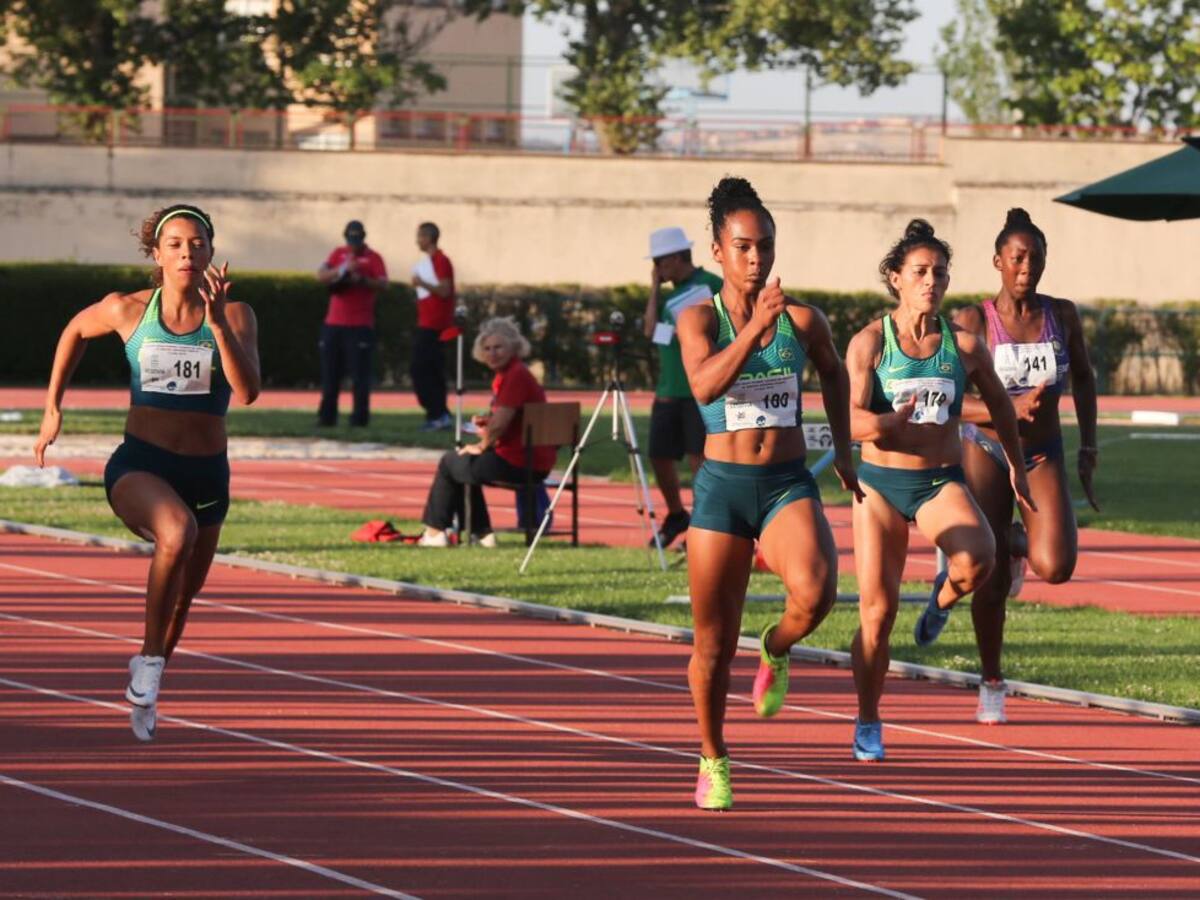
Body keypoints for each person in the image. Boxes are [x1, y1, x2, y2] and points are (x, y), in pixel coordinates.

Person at [34, 203, 260, 742]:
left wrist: (216, 325)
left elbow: (248, 391)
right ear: (157, 254)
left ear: (211, 252)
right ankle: (153, 663)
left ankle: (149, 672)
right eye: (176, 244)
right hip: (141, 465)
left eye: (198, 244)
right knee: (176, 532)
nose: (188, 253)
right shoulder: (128, 310)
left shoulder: (236, 315)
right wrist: (52, 406)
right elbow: (74, 331)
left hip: (208, 474)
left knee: (185, 596)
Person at [676, 177, 860, 810]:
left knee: (818, 592)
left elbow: (834, 374)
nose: (757, 259)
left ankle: (776, 647)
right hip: (723, 491)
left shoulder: (802, 319)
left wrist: (845, 451)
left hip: (784, 482)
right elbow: (704, 386)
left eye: (767, 246)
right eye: (744, 247)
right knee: (712, 645)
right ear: (718, 251)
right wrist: (753, 328)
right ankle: (713, 758)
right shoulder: (698, 318)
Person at [845, 218, 1032, 762]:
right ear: (896, 278)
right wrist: (887, 424)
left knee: (980, 559)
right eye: (921, 272)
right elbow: (848, 419)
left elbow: (1001, 407)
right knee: (877, 617)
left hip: (937, 481)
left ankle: (941, 599)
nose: (932, 282)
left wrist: (1016, 466)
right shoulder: (871, 342)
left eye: (940, 273)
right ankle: (868, 718)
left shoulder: (964, 345)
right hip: (881, 486)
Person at [954, 208, 1099, 724]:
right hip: (987, 451)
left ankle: (1019, 541)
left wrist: (1089, 447)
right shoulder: (972, 320)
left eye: (1036, 258)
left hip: (1041, 452)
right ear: (998, 261)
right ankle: (992, 680)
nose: (1026, 267)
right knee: (988, 580)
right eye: (1017, 257)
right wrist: (1003, 409)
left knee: (1056, 567)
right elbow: (947, 396)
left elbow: (1084, 377)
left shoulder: (1062, 314)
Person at [417, 317, 554, 547]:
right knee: (463, 465)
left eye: (499, 347)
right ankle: (481, 534)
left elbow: (500, 424)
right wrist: (487, 424)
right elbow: (506, 420)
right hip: (529, 458)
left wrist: (481, 446)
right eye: (487, 348)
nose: (492, 353)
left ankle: (435, 532)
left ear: (514, 347)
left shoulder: (515, 375)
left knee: (449, 463)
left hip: (520, 462)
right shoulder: (509, 375)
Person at [642, 226, 724, 548]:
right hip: (668, 390)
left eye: (659, 262)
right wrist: (653, 288)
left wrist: (695, 332)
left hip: (697, 389)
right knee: (658, 455)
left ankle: (702, 525)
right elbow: (651, 331)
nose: (657, 269)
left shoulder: (711, 284)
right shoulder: (668, 295)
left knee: (698, 460)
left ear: (676, 257)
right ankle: (677, 514)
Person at [316, 219, 388, 427]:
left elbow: (383, 284)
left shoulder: (373, 257)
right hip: (334, 323)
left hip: (360, 325)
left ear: (363, 237)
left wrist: (361, 279)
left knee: (359, 376)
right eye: (350, 239)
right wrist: (342, 270)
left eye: (357, 239)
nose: (353, 243)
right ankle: (327, 418)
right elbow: (321, 275)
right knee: (330, 374)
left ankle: (359, 419)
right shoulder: (338, 254)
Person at [410, 221, 456, 431]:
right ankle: (439, 414)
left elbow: (445, 290)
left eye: (420, 236)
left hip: (435, 325)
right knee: (430, 370)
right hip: (427, 322)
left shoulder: (441, 260)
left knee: (423, 369)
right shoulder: (427, 262)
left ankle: (437, 414)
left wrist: (421, 283)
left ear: (429, 238)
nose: (417, 241)